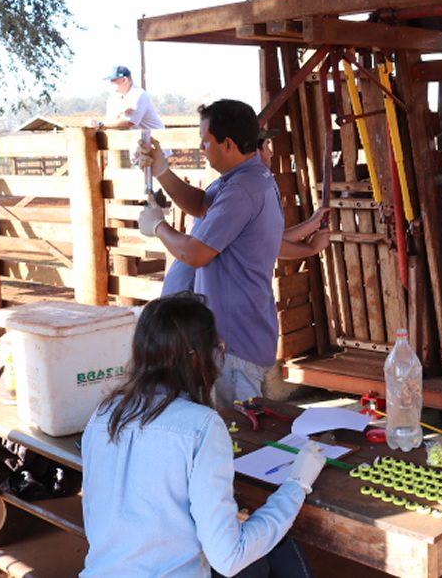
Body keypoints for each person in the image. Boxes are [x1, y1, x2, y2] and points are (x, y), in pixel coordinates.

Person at [80, 293, 326, 578]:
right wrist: (298, 483)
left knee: (263, 558)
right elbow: (229, 558)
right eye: (217, 349)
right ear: (198, 357)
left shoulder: (104, 414)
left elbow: (113, 517)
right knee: (278, 547)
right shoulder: (201, 425)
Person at [136, 99, 283, 410]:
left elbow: (195, 255)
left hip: (235, 346)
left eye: (205, 141)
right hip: (240, 334)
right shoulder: (246, 178)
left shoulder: (242, 189)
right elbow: (201, 204)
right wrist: (162, 169)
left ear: (227, 144)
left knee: (237, 441)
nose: (202, 147)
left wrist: (159, 227)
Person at [160, 131, 331, 296]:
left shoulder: (243, 183)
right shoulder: (242, 191)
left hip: (193, 288)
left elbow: (262, 240)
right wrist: (310, 248)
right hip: (190, 292)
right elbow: (271, 247)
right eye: (266, 145)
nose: (271, 153)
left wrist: (310, 226)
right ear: (254, 152)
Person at [86, 65, 164, 131]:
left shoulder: (139, 94)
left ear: (124, 80)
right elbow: (109, 121)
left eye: (114, 80)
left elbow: (128, 122)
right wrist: (119, 114)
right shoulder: (112, 99)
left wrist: (99, 124)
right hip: (135, 145)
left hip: (156, 145)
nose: (111, 83)